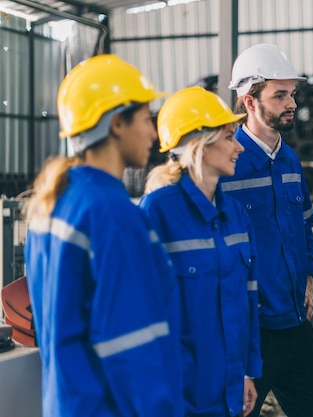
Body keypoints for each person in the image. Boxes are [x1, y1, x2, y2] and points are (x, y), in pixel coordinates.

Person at [22, 54, 183, 417]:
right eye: (145, 119)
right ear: (116, 124)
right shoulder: (112, 215)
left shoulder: (54, 202)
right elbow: (132, 343)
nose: (154, 134)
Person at [138, 86, 262, 417]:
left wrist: (247, 371)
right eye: (229, 137)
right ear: (201, 147)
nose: (239, 147)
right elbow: (141, 311)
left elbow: (247, 298)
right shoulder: (156, 212)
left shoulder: (236, 214)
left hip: (228, 390)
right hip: (179, 394)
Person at [221, 43, 313, 417]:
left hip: (295, 321)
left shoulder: (289, 159)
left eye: (292, 94)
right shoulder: (227, 162)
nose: (291, 103)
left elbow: (304, 228)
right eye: (279, 95)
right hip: (251, 328)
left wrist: (309, 278)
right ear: (250, 101)